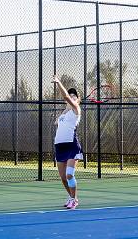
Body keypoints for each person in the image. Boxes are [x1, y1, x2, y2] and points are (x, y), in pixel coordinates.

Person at [52, 75, 83, 210]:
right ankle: (72, 197)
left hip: (72, 147)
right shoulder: (64, 114)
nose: (71, 97)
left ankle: (74, 200)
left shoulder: (76, 110)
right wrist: (60, 117)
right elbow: (57, 124)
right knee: (63, 178)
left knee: (69, 174)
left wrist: (58, 82)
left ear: (77, 100)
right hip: (60, 147)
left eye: (74, 96)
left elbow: (66, 98)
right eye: (71, 95)